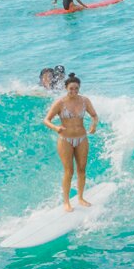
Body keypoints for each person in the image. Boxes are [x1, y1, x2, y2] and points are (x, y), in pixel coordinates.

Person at [42, 74, 98, 210]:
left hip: (82, 138)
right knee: (69, 171)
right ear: (65, 88)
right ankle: (66, 202)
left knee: (82, 170)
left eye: (76, 89)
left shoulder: (85, 101)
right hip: (65, 139)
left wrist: (93, 125)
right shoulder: (60, 103)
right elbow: (46, 120)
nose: (73, 91)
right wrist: (56, 128)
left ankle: (80, 197)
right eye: (71, 88)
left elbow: (94, 115)